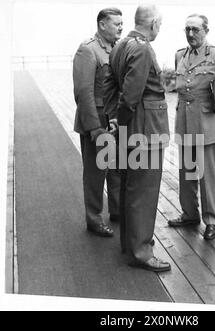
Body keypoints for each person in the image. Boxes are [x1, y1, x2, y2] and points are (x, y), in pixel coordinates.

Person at [103, 4, 171, 272]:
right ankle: (141, 252)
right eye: (160, 24)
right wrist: (123, 121)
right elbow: (131, 95)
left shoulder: (121, 45)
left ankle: (130, 244)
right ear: (153, 23)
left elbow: (109, 86)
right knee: (144, 190)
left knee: (131, 187)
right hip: (146, 128)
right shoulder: (142, 48)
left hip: (131, 128)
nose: (159, 29)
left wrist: (115, 121)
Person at [168, 14, 215, 240]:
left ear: (206, 30)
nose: (190, 34)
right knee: (187, 173)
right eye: (187, 29)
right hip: (185, 123)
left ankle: (211, 221)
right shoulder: (180, 54)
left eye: (195, 30)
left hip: (207, 125)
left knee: (207, 176)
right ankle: (190, 214)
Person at [73, 8, 123, 237]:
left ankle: (117, 211)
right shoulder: (88, 49)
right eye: (116, 24)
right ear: (102, 25)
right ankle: (93, 220)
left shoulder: (116, 49)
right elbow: (83, 93)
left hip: (113, 120)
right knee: (95, 173)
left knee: (116, 169)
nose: (121, 27)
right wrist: (94, 127)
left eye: (122, 24)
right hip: (96, 121)